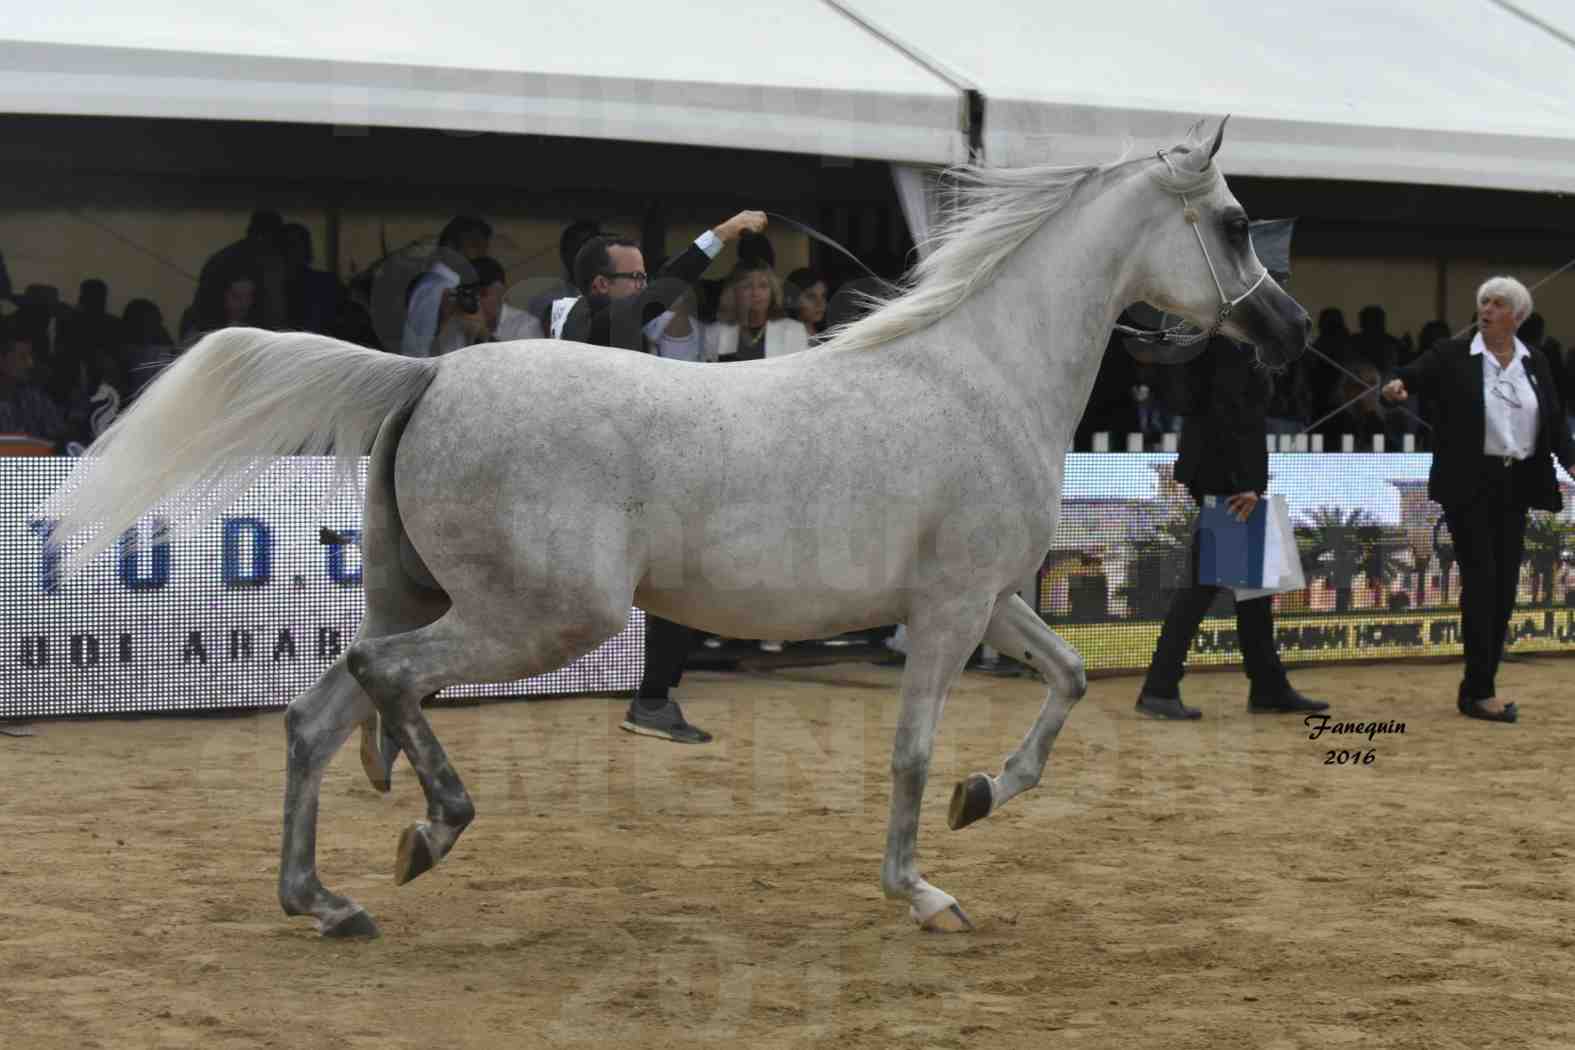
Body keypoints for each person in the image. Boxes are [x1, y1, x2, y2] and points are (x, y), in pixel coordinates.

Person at [548, 209, 769, 743]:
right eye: (636, 278)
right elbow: (671, 285)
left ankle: (653, 699)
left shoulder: (594, 318)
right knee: (678, 578)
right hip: (593, 493)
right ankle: (652, 699)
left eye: (644, 276)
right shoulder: (598, 320)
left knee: (678, 577)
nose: (647, 287)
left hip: (609, 486)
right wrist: (724, 233)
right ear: (603, 284)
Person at [1381, 276, 1574, 724]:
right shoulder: (1451, 355)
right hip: (1468, 485)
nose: (1486, 308)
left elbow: (1554, 425)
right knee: (1484, 580)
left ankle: (1480, 683)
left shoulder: (1535, 362)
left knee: (1503, 587)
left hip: (1519, 484)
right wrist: (1393, 391)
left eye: (1498, 303)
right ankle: (1478, 691)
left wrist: (1571, 463)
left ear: (1517, 316)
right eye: (1483, 301)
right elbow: (1405, 379)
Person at [1136, 334, 1330, 719]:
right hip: (1230, 481)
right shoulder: (1229, 344)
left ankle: (1268, 684)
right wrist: (1246, 483)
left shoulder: (1220, 338)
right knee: (1201, 589)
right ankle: (1160, 686)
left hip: (1224, 476)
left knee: (1253, 592)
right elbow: (1229, 414)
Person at [402, 215, 492, 357]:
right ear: (450, 247)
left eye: (484, 249)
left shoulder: (450, 286)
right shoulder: (438, 287)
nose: (482, 255)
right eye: (475, 246)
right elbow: (421, 351)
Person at [430, 256, 543, 355]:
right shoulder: (456, 322)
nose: (477, 301)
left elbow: (520, 367)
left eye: (483, 294)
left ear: (501, 291)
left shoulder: (526, 325)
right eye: (471, 295)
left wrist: (483, 335)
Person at [704, 259, 810, 362]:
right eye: (747, 286)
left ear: (772, 292)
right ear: (734, 292)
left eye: (763, 286)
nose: (755, 293)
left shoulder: (793, 331)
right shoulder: (714, 333)